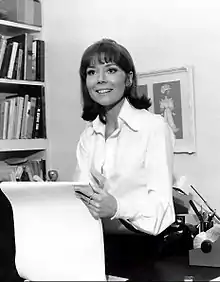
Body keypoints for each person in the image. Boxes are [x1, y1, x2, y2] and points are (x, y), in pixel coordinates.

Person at [74, 38, 176, 280]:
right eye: (91, 72)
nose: (100, 79)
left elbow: (162, 210)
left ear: (128, 79)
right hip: (93, 249)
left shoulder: (153, 128)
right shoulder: (88, 135)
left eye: (110, 70)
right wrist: (50, 195)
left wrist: (117, 207)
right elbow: (83, 201)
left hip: (144, 256)